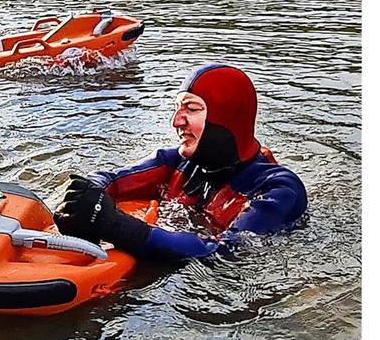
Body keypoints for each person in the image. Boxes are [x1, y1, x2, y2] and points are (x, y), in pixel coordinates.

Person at [54, 64, 307, 259]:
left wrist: (115, 226)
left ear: (227, 118)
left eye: (192, 109)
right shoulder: (174, 162)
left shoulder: (279, 191)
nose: (176, 121)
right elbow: (111, 180)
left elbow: (224, 253)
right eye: (177, 108)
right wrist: (85, 200)